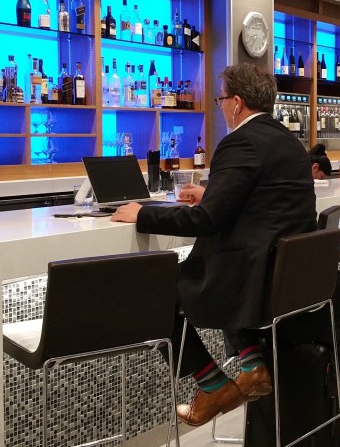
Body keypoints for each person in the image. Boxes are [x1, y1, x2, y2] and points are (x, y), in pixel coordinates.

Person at [111, 62, 317, 427]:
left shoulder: (239, 141)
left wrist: (142, 214)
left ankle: (211, 385)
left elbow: (207, 221)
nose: (220, 106)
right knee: (214, 261)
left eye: (221, 99)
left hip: (250, 279)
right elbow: (265, 202)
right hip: (283, 276)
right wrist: (213, 194)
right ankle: (252, 366)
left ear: (237, 103)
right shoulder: (288, 140)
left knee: (152, 289)